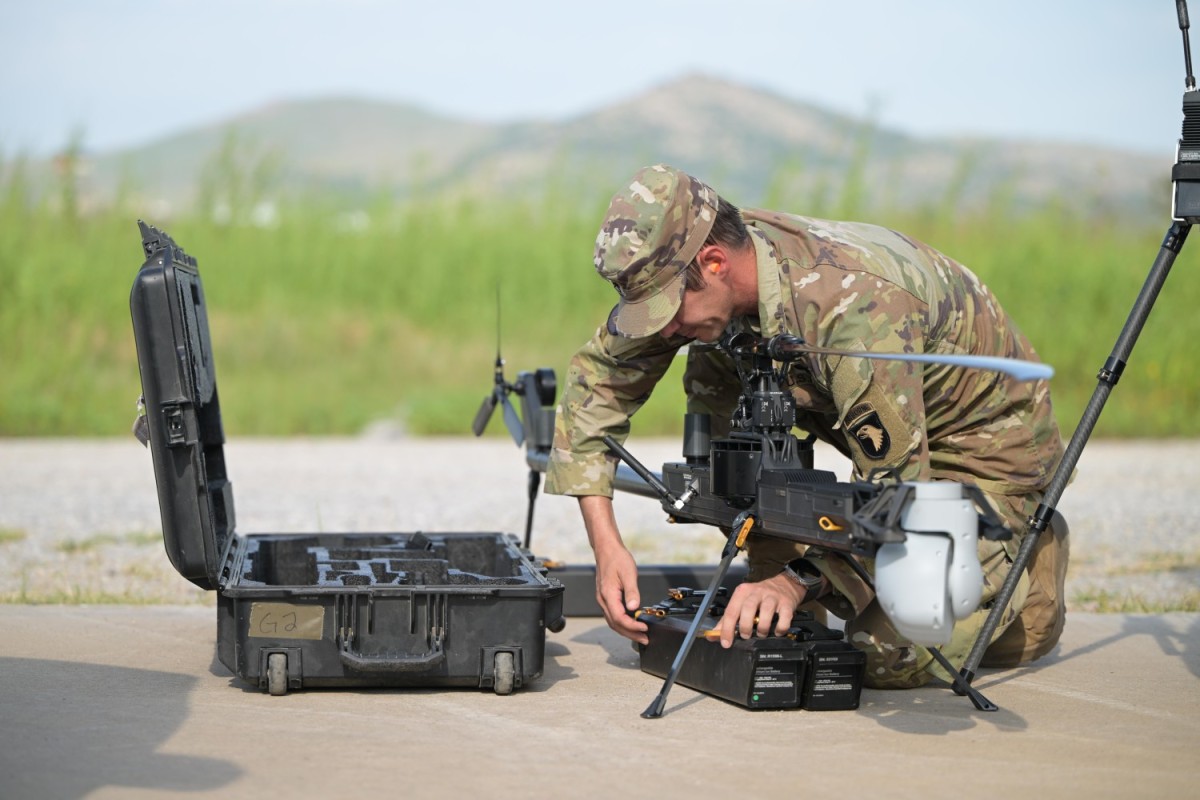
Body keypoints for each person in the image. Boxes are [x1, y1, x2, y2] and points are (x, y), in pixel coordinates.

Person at [543, 164, 1070, 688]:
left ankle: (1024, 561)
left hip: (979, 462)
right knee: (776, 633)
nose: (666, 328)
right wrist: (606, 547)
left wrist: (794, 582)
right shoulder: (700, 265)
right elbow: (599, 383)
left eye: (668, 309)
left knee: (882, 655)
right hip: (895, 441)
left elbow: (898, 495)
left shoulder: (855, 310)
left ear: (715, 262)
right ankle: (816, 570)